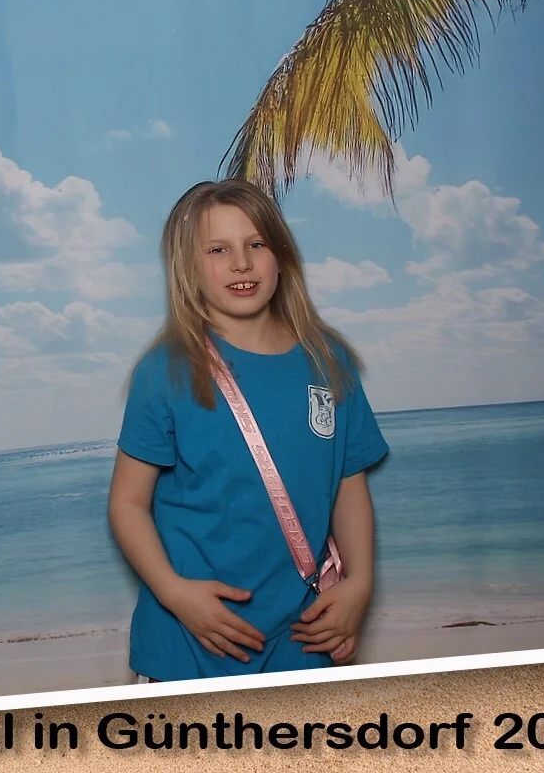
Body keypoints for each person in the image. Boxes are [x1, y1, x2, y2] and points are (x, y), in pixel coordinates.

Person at [108, 178, 388, 680]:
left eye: (256, 244)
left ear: (281, 256)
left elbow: (348, 484)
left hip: (302, 634)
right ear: (188, 268)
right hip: (191, 637)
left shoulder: (329, 360)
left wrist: (360, 584)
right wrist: (175, 594)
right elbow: (127, 503)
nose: (241, 263)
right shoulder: (166, 370)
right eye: (217, 250)